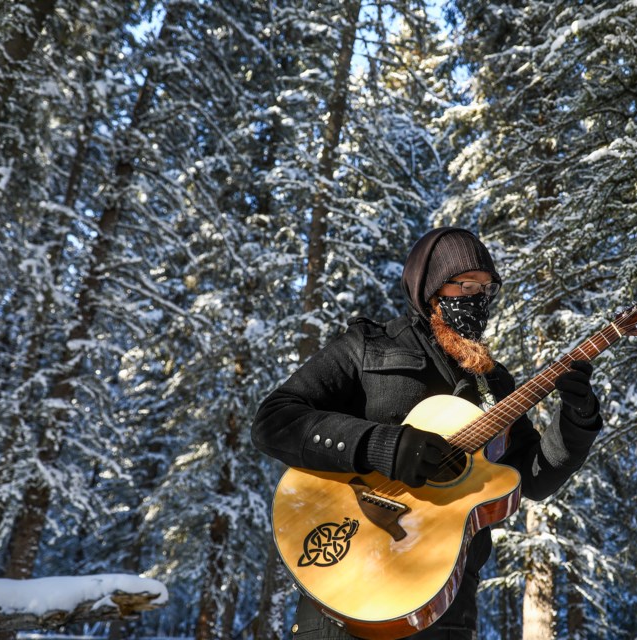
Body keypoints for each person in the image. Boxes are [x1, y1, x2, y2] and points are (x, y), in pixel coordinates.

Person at [251, 227, 603, 639]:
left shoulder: (495, 383)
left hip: (444, 604)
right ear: (431, 288)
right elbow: (275, 419)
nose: (478, 298)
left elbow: (532, 479)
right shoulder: (368, 347)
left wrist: (576, 420)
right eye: (465, 285)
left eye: (486, 288)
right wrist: (384, 446)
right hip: (342, 593)